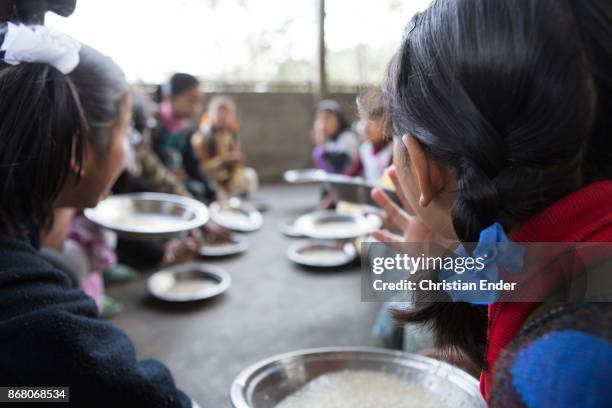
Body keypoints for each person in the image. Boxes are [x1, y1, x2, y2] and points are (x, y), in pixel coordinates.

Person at [372, 0, 612, 406]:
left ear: (420, 162)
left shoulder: (558, 367)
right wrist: (445, 268)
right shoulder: (573, 243)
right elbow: (515, 274)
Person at [0, 23, 195, 406]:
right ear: (76, 150)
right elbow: (134, 395)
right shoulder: (36, 315)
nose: (129, 151)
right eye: (126, 133)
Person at [152, 73, 215, 201]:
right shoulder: (152, 125)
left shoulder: (184, 130)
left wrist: (212, 192)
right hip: (155, 185)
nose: (196, 108)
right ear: (170, 97)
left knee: (200, 189)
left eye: (198, 102)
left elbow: (192, 164)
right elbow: (149, 169)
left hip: (176, 183)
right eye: (191, 101)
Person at [192, 95, 258, 198]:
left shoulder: (230, 136)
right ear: (210, 114)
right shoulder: (201, 138)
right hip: (209, 180)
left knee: (250, 176)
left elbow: (237, 168)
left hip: (227, 180)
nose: (221, 116)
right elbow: (199, 169)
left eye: (226, 112)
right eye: (218, 111)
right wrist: (223, 161)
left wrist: (233, 180)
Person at [345, 87, 393, 183]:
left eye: (373, 120)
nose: (366, 126)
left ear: (388, 123)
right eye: (363, 119)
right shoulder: (364, 149)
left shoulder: (392, 150)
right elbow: (351, 174)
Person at [311, 99, 358, 174]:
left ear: (338, 120)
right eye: (320, 118)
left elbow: (340, 167)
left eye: (327, 117)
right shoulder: (327, 142)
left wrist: (323, 147)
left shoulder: (347, 138)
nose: (323, 123)